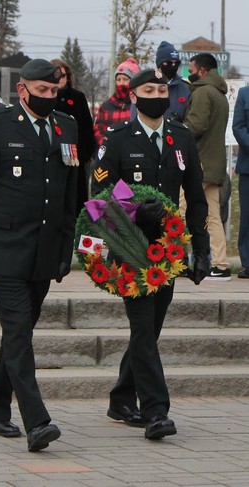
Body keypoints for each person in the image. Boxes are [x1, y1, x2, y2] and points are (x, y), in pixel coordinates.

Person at [0, 59, 78, 452]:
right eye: (41, 91)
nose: (48, 98)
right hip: (2, 248)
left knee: (19, 333)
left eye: (53, 92)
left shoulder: (66, 127)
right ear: (22, 89)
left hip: (43, 251)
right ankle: (37, 420)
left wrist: (65, 249)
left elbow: (67, 195)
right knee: (18, 331)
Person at [91, 68, 210, 440]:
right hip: (130, 247)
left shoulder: (181, 138)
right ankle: (156, 411)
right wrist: (134, 211)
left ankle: (121, 398)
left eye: (162, 89)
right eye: (149, 89)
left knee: (151, 329)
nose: (158, 94)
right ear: (133, 95)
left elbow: (196, 197)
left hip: (168, 252)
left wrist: (201, 248)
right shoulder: (118, 140)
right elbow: (99, 196)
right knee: (143, 328)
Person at [184, 53, 230, 280]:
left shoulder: (202, 92)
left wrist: (178, 127)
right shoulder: (220, 94)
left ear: (201, 70)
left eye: (191, 69)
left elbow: (197, 125)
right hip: (215, 164)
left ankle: (175, 260)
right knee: (212, 216)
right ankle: (221, 264)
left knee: (180, 209)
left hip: (199, 163)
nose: (188, 73)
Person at [50, 58, 96, 215]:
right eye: (55, 75)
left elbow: (87, 129)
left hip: (75, 160)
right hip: (52, 158)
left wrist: (83, 155)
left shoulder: (77, 98)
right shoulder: (45, 98)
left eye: (63, 75)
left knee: (75, 204)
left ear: (68, 77)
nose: (59, 79)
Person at [93, 58, 140, 146]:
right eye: (118, 80)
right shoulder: (106, 106)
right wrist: (106, 145)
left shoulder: (140, 105)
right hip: (110, 153)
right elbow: (98, 130)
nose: (121, 83)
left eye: (125, 79)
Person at [232, 85, 249, 278]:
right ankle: (248, 262)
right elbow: (238, 126)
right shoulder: (245, 94)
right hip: (247, 167)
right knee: (247, 217)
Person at [155, 41, 191, 122]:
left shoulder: (186, 89)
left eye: (176, 63)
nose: (173, 66)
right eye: (169, 63)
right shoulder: (147, 86)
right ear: (160, 64)